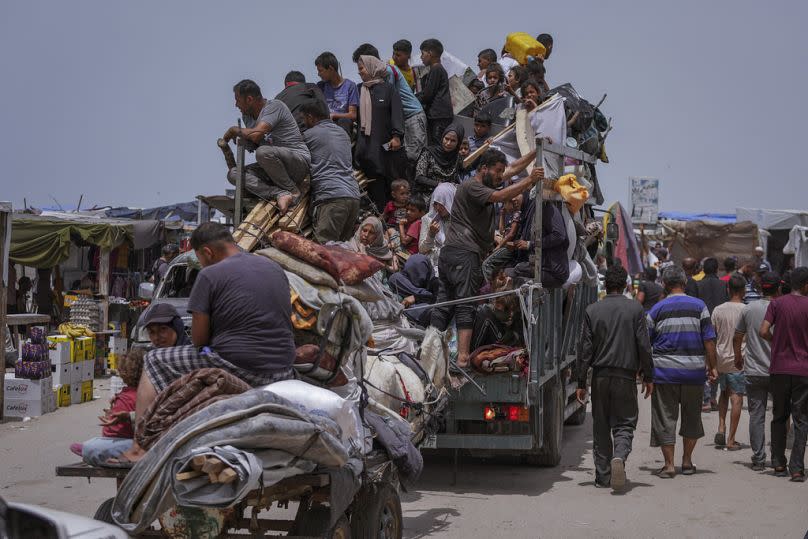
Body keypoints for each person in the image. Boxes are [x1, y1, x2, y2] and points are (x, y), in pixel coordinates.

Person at [115, 223, 296, 464]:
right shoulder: (274, 269)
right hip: (283, 368)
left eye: (200, 259)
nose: (200, 264)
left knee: (154, 359)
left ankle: (139, 447)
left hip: (240, 367)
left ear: (207, 252)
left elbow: (200, 340)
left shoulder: (210, 275)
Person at [429, 149, 541, 368]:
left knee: (444, 304)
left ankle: (431, 353)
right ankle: (462, 358)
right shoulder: (473, 186)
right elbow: (500, 196)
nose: (501, 176)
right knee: (465, 305)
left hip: (452, 253)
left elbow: (513, 167)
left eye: (502, 172)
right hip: (464, 254)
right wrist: (530, 179)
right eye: (497, 172)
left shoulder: (486, 180)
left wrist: (535, 152)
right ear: (483, 169)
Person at [576, 265, 653, 490]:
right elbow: (644, 346)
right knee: (625, 424)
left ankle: (602, 476)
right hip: (626, 377)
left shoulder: (592, 310)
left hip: (600, 377)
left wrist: (581, 382)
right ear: (625, 285)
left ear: (605, 285)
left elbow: (585, 350)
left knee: (600, 427)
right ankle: (619, 455)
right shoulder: (635, 309)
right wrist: (649, 376)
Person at [646, 265, 718, 478]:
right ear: (684, 284)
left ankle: (669, 466)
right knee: (692, 418)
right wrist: (712, 366)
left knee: (665, 418)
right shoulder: (700, 306)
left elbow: (645, 342)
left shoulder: (657, 309)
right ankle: (686, 462)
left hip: (664, 373)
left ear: (664, 285)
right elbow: (709, 340)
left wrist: (643, 371)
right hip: (693, 373)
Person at [223, 79, 311, 215]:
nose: (236, 105)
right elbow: (254, 142)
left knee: (263, 152)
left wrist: (234, 130)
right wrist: (243, 139)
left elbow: (257, 135)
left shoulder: (274, 107)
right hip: (273, 167)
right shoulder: (247, 117)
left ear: (250, 99)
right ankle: (279, 193)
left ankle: (293, 191)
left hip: (296, 163)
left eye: (238, 100)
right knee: (234, 174)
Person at [760, 266, 808, 481]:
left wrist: (776, 342)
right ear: (806, 285)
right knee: (801, 419)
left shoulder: (776, 304)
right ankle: (797, 468)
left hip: (779, 368)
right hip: (803, 370)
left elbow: (763, 331)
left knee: (779, 416)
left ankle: (778, 463)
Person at [734, 271, 781, 471]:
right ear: (778, 288)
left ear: (761, 288)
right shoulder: (783, 308)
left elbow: (737, 337)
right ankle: (778, 458)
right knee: (780, 415)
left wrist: (738, 357)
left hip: (754, 370)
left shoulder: (749, 309)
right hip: (779, 370)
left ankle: (759, 458)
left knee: (757, 415)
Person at [353, 43, 427, 163]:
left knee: (415, 155)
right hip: (404, 118)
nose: (360, 70)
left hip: (413, 116)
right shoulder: (376, 76)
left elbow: (388, 99)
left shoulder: (387, 71)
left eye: (362, 64)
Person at [300, 99, 361, 243]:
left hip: (331, 198)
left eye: (304, 119)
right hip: (353, 197)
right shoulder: (343, 133)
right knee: (342, 251)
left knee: (323, 251)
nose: (303, 122)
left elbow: (297, 160)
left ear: (310, 117)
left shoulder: (309, 135)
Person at [70, 348, 145, 466]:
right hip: (123, 440)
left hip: (128, 442)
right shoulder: (129, 394)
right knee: (98, 443)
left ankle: (92, 452)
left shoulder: (135, 396)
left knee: (92, 446)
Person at [354, 55, 406, 213]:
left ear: (371, 67)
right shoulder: (359, 90)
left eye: (361, 68)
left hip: (385, 144)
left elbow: (397, 113)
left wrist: (397, 136)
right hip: (366, 146)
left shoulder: (388, 89)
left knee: (389, 178)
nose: (360, 72)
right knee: (374, 183)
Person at [711, 274, 748, 450]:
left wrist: (709, 364)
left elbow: (711, 337)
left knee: (724, 393)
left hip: (720, 358)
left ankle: (721, 426)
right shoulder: (746, 310)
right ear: (743, 290)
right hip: (738, 360)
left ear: (728, 289)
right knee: (737, 398)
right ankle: (731, 440)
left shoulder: (718, 310)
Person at [413, 123, 466, 197]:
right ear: (442, 137)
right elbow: (419, 177)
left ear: (458, 143)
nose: (448, 143)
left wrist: (484, 147)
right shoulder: (428, 153)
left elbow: (469, 166)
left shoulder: (457, 157)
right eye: (446, 139)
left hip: (447, 196)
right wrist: (441, 185)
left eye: (453, 141)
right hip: (426, 194)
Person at [417, 39, 453, 146]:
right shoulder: (437, 69)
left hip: (438, 116)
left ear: (430, 53)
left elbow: (428, 94)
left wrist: (412, 99)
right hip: (440, 115)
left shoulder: (436, 69)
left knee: (436, 146)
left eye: (422, 53)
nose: (421, 57)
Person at [315, 52, 359, 135]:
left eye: (321, 71)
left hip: (342, 126)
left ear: (331, 69)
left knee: (344, 121)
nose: (318, 74)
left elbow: (353, 115)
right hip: (326, 126)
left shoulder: (350, 86)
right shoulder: (321, 86)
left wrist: (334, 115)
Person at [389, 254, 438, 327]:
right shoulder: (402, 278)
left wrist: (416, 297)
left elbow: (438, 298)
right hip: (415, 298)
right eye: (411, 272)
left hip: (428, 305)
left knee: (428, 311)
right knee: (394, 278)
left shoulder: (436, 281)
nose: (416, 276)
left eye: (419, 273)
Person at [481, 194, 522, 282]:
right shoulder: (509, 216)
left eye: (505, 204)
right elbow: (501, 231)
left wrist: (499, 246)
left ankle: (488, 289)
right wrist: (502, 215)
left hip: (510, 246)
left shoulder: (517, 214)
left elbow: (511, 234)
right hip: (504, 243)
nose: (504, 206)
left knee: (487, 264)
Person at [419, 182, 456, 271]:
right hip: (432, 263)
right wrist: (431, 235)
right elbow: (421, 249)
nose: (438, 208)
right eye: (435, 203)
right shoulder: (428, 219)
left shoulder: (458, 220)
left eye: (442, 203)